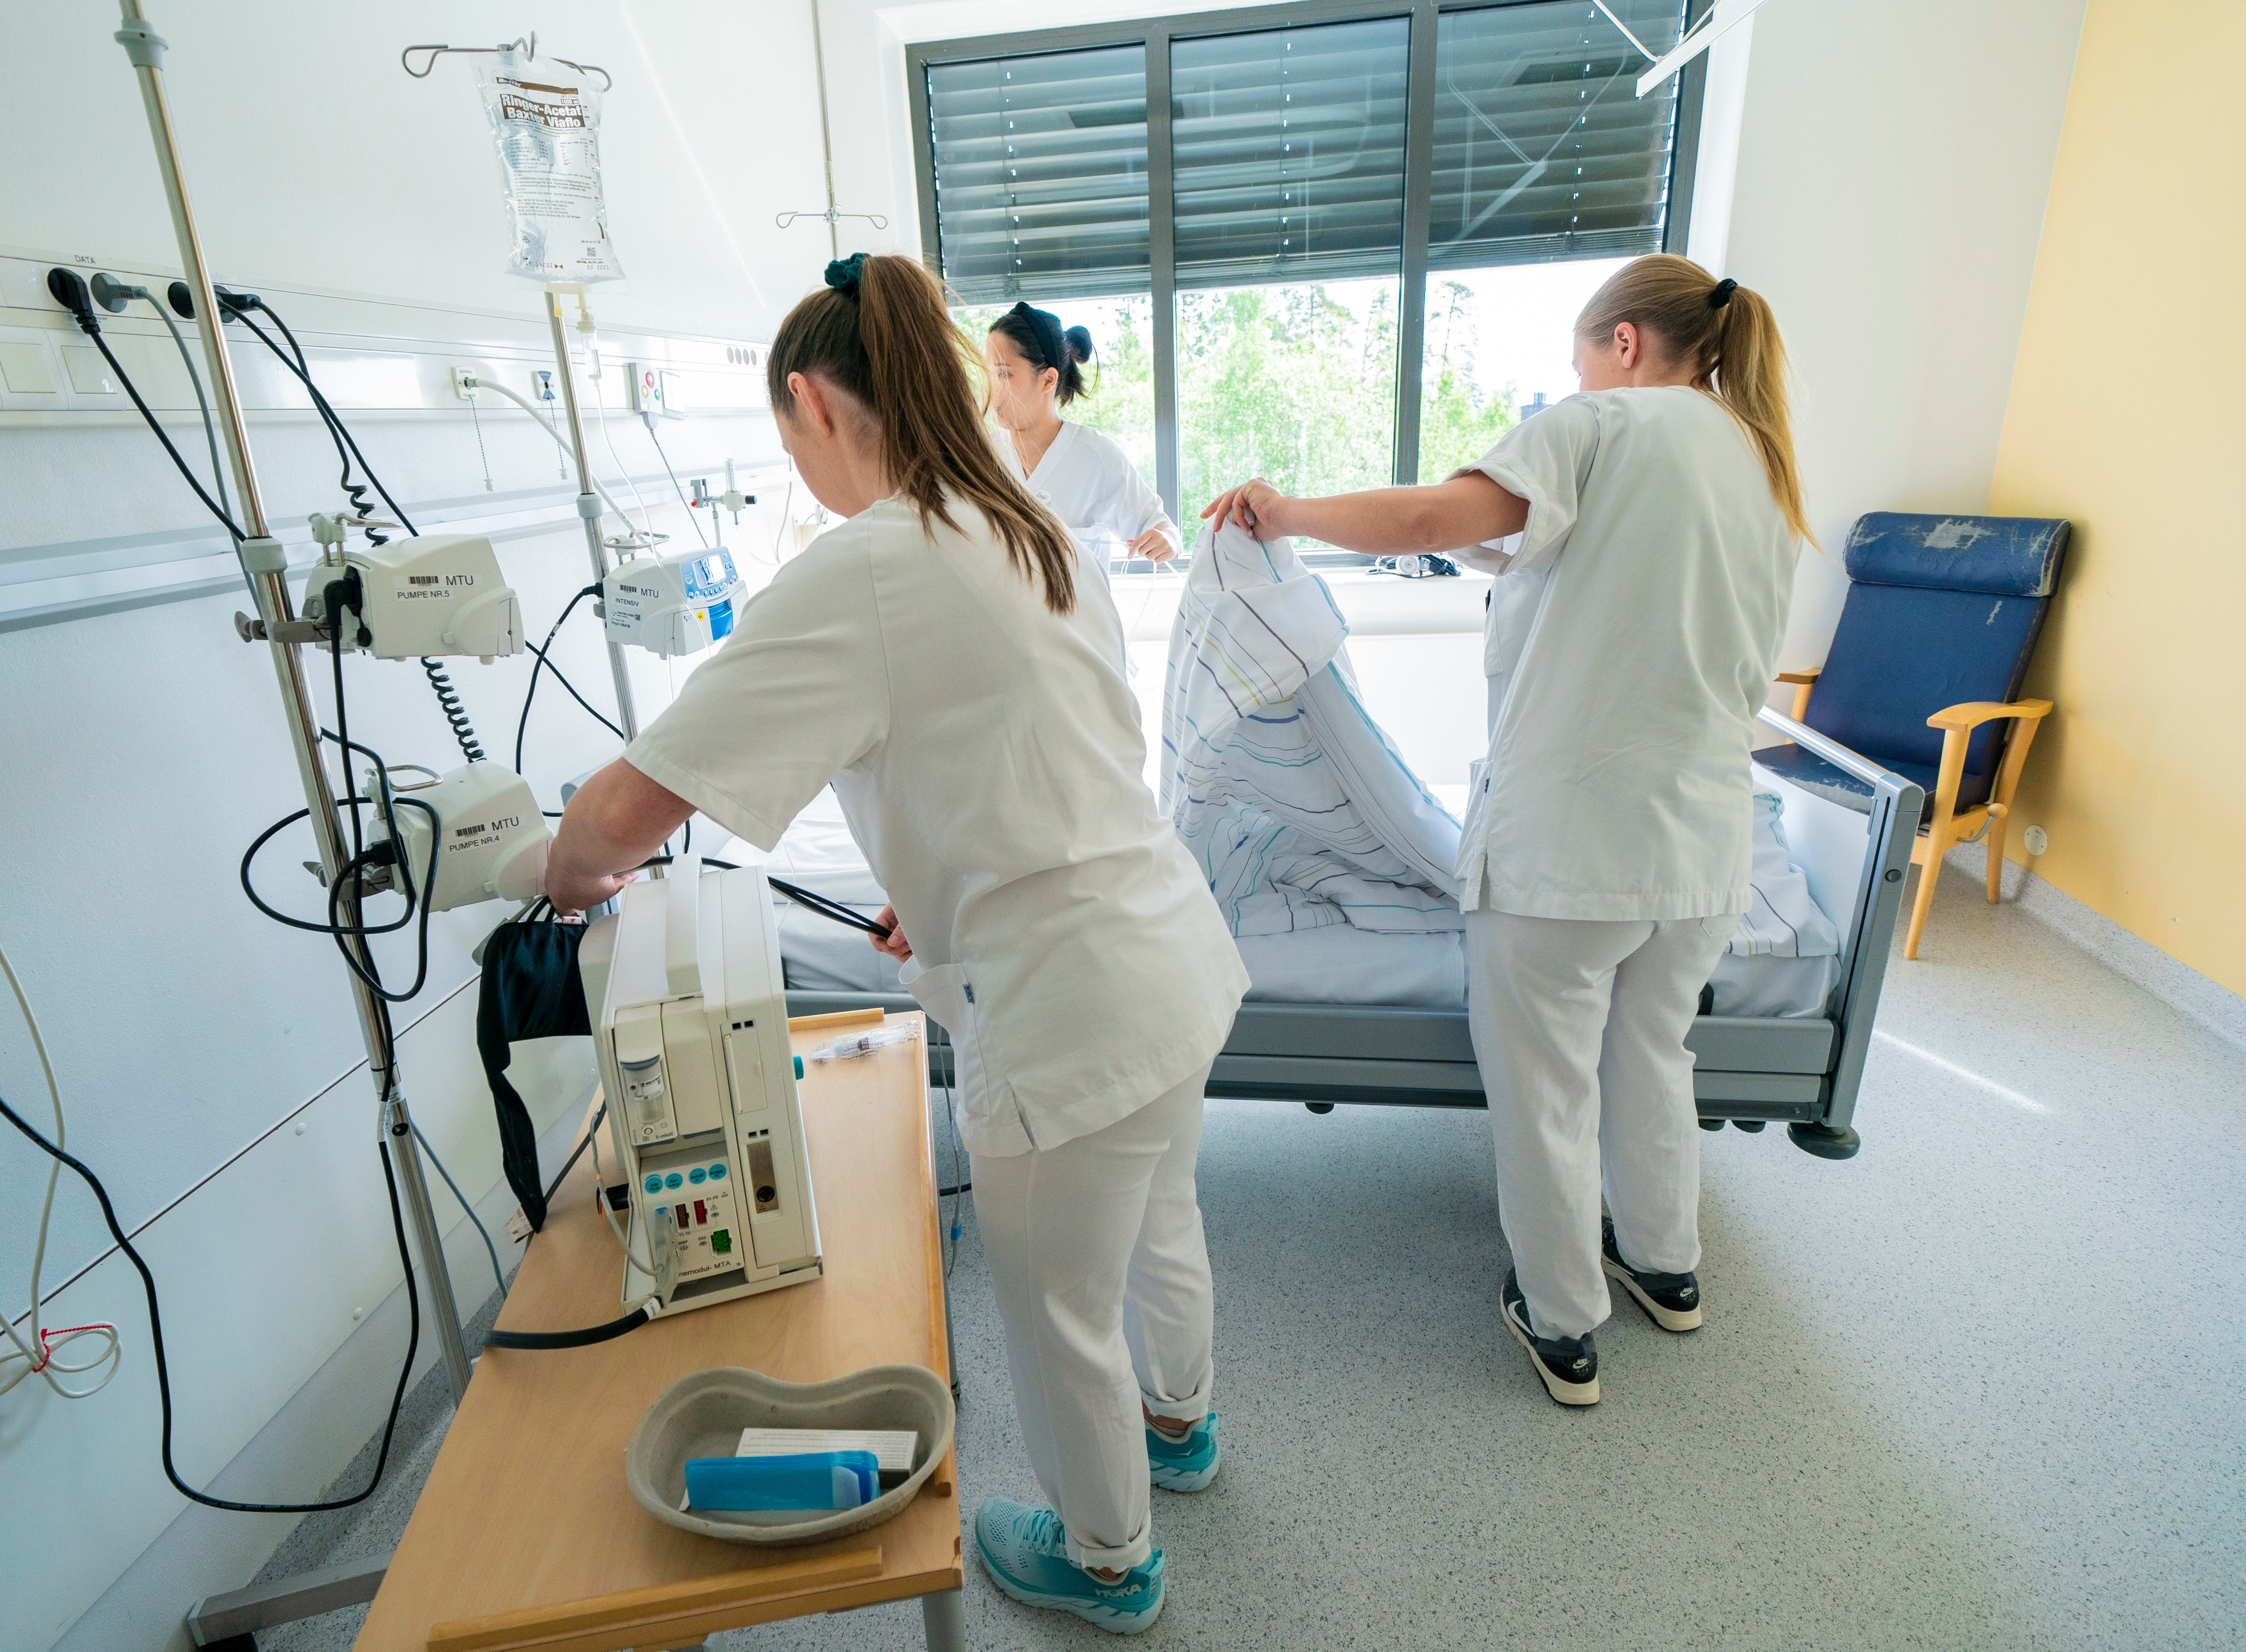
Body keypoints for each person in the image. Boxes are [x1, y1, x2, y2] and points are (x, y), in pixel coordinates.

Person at [547, 253, 1248, 1631]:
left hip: (1067, 1006)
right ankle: (1183, 1425)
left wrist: (565, 868)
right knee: (1161, 1218)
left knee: (1056, 1314)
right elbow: (1042, 750)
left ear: (811, 403)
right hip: (1169, 948)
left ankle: (1109, 1558)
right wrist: (942, 890)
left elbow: (628, 808)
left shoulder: (862, 564)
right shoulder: (1029, 527)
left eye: (785, 438)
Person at [1199, 254, 1806, 1409]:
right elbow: (1548, 551)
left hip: (1572, 849)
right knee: (1651, 1056)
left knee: (1546, 1087)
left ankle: (1562, 1319)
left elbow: (1434, 516)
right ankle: (1666, 1267)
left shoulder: (1599, 422)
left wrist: (1286, 512)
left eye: (1581, 355)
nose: (1575, 376)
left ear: (1622, 343)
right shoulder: (1759, 460)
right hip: (1701, 845)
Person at [986, 301, 1179, 565]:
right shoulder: (980, 455)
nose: (990, 388)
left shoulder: (1096, 455)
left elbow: (1159, 525)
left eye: (1003, 375)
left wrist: (1167, 540)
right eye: (988, 374)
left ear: (1048, 380)